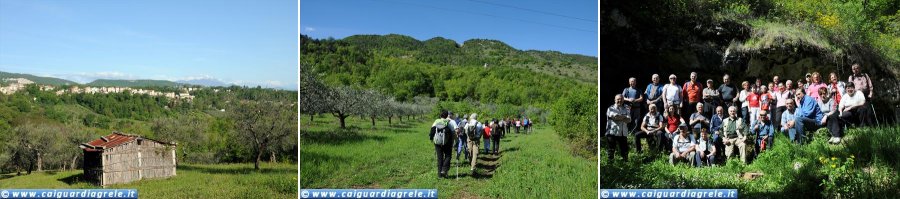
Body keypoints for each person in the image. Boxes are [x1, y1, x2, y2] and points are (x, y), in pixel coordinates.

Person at [430, 110, 457, 178]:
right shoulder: (448, 123)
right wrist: (456, 141)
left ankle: (439, 175)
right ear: (447, 116)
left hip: (437, 143)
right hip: (447, 143)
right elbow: (453, 132)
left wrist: (431, 138)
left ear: (440, 115)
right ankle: (444, 169)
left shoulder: (436, 121)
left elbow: (432, 130)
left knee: (440, 158)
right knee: (448, 156)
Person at [606, 94, 631, 161]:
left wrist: (620, 117)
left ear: (623, 100)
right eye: (618, 99)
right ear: (615, 100)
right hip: (612, 132)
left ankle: (625, 165)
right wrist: (624, 117)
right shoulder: (611, 108)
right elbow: (615, 117)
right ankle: (610, 166)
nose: (620, 100)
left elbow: (629, 120)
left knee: (625, 151)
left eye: (621, 99)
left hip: (623, 132)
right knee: (611, 150)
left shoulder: (626, 109)